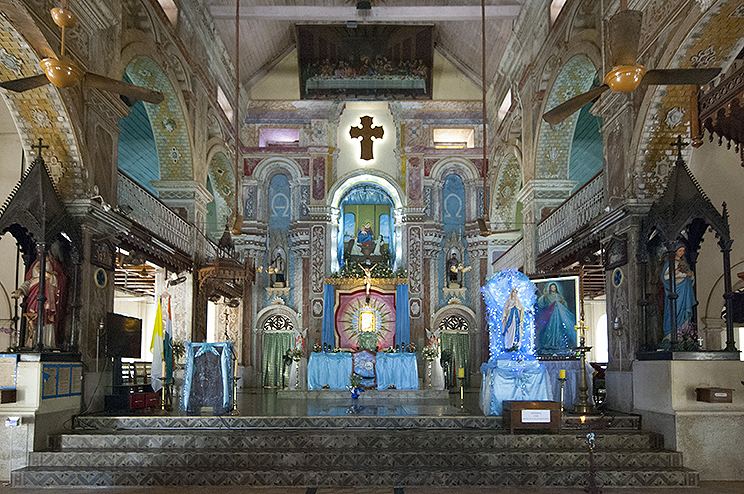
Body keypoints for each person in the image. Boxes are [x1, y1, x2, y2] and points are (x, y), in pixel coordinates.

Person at [11, 251, 66, 348]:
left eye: (42, 251)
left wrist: (49, 276)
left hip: (48, 296)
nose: (40, 253)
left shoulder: (53, 264)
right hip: (34, 296)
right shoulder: (35, 264)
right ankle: (32, 344)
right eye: (38, 251)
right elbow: (29, 281)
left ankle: (47, 344)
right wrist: (20, 290)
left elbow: (61, 279)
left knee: (47, 317)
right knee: (32, 318)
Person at [662, 245, 697, 344]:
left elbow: (690, 275)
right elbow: (665, 278)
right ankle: (670, 334)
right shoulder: (669, 264)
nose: (681, 253)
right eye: (679, 250)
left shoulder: (684, 263)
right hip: (675, 291)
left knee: (685, 312)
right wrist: (676, 273)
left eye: (683, 251)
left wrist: (690, 276)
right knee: (673, 310)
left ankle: (684, 333)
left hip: (685, 290)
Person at [535, 282, 576, 354]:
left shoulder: (559, 295)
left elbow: (565, 306)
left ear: (556, 288)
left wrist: (562, 301)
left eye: (554, 287)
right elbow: (541, 304)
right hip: (549, 315)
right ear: (549, 288)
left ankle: (558, 342)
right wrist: (544, 296)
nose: (553, 288)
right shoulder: (547, 296)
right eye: (552, 287)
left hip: (558, 315)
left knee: (558, 328)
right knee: (550, 328)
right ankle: (550, 342)